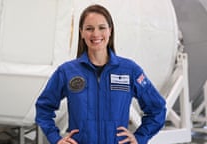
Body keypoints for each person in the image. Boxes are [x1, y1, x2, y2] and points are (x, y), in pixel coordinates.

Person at [35, 4, 166, 144]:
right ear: (81, 33)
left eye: (102, 28)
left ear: (110, 30)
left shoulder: (129, 70)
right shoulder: (67, 72)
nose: (96, 34)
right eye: (89, 28)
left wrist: (140, 138)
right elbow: (44, 107)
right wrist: (56, 139)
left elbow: (157, 109)